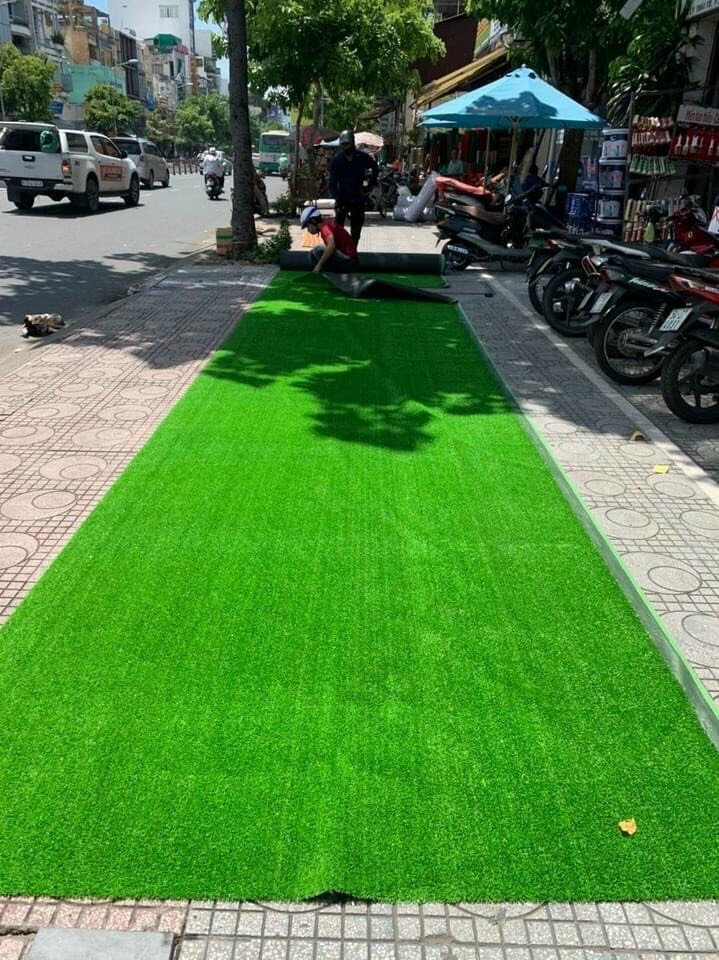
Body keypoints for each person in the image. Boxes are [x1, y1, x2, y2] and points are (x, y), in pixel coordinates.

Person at [329, 129, 379, 245]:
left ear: (352, 143)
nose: (345, 147)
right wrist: (336, 198)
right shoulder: (337, 160)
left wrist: (370, 185)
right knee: (338, 230)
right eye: (343, 144)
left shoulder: (362, 157)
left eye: (347, 144)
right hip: (342, 198)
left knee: (356, 231)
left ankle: (353, 251)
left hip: (358, 197)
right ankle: (339, 251)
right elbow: (332, 182)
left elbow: (375, 168)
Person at [300, 205, 359, 273]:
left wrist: (319, 265)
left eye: (308, 226)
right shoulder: (326, 225)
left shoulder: (325, 227)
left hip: (350, 262)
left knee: (318, 250)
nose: (308, 230)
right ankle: (327, 273)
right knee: (311, 254)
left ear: (313, 221)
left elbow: (331, 246)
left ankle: (329, 273)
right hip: (347, 260)